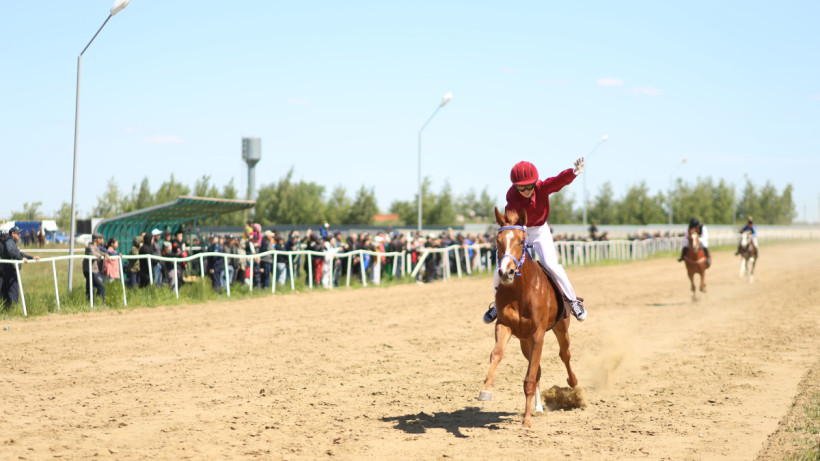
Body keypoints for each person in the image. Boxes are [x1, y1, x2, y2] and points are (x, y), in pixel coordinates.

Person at [483, 157, 588, 324]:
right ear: (514, 186)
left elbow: (558, 181)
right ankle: (497, 304)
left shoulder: (542, 188)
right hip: (521, 230)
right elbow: (511, 220)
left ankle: (574, 301)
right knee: (500, 269)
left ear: (535, 183)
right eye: (520, 187)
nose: (525, 190)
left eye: (529, 186)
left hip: (540, 231)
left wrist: (573, 172)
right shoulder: (511, 195)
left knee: (552, 266)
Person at [1, 226, 40, 309]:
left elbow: (20, 254)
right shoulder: (9, 242)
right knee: (12, 292)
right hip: (9, 272)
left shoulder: (12, 242)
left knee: (8, 293)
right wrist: (21, 258)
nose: (19, 235)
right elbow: (11, 252)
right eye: (18, 233)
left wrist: (31, 257)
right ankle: (13, 309)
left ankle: (9, 310)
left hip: (10, 271)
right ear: (13, 234)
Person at [83, 233, 109, 302]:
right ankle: (100, 303)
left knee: (90, 288)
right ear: (96, 240)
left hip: (92, 271)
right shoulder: (90, 247)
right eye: (101, 239)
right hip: (89, 271)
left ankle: (91, 303)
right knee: (101, 287)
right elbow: (94, 253)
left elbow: (100, 252)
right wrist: (100, 256)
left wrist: (105, 254)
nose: (103, 240)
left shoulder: (96, 247)